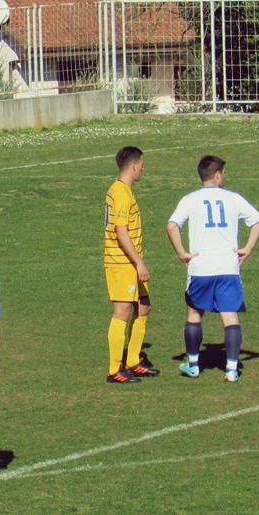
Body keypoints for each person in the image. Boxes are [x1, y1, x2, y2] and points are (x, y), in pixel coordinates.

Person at [167, 156, 259, 382]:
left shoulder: (190, 200)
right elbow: (258, 221)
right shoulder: (233, 198)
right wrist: (248, 248)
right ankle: (231, 369)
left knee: (194, 314)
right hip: (228, 267)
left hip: (200, 267)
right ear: (218, 174)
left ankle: (193, 365)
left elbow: (172, 226)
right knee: (230, 317)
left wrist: (182, 253)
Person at [103, 147, 159, 384]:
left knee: (143, 306)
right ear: (134, 166)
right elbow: (121, 232)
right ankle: (114, 370)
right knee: (122, 312)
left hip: (129, 263)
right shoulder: (122, 194)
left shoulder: (119, 190)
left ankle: (133, 361)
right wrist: (139, 262)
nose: (143, 169)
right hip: (122, 263)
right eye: (142, 165)